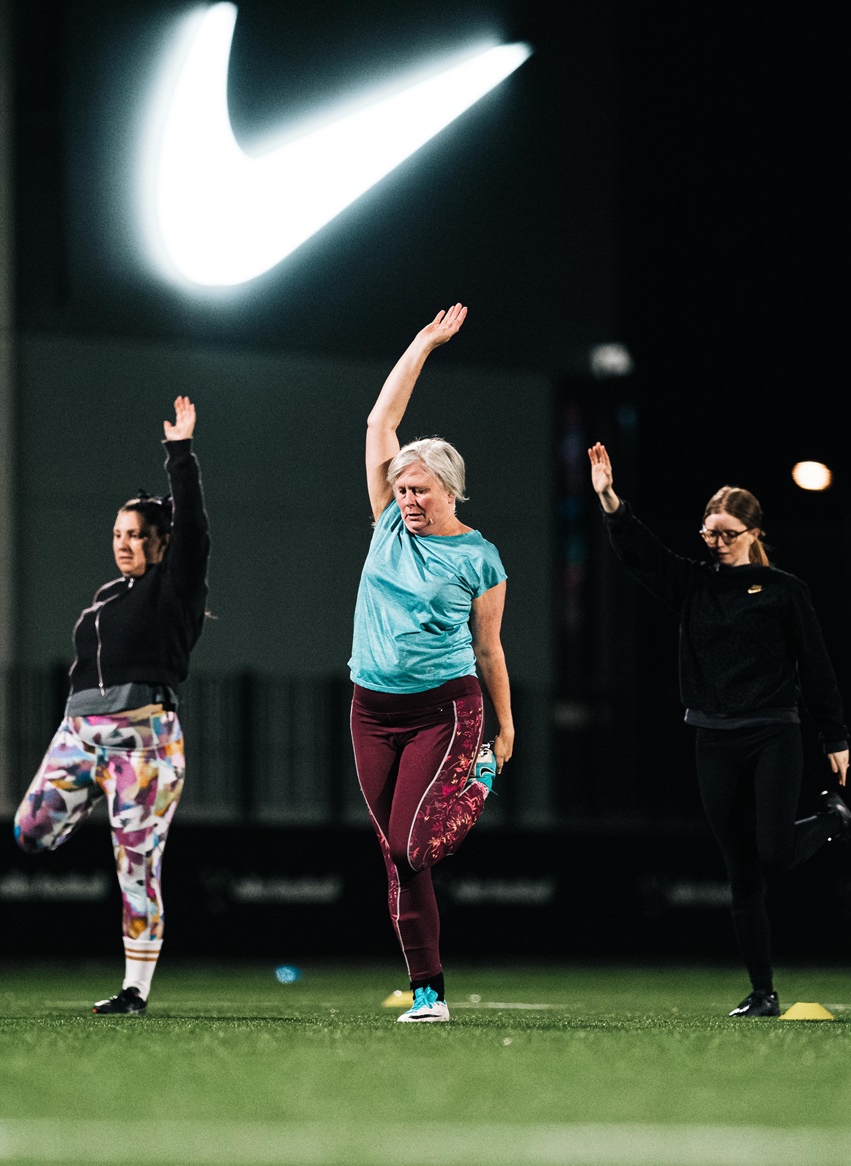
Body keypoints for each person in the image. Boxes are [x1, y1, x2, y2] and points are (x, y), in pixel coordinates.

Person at [587, 442, 851, 1018]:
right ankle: (763, 993)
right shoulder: (695, 585)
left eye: (726, 533)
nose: (714, 543)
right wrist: (611, 500)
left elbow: (816, 665)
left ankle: (832, 819)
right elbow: (644, 557)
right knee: (740, 869)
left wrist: (834, 735)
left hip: (772, 733)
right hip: (713, 736)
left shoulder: (785, 590)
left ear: (753, 532)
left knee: (773, 850)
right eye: (708, 533)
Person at [13, 397, 209, 1015]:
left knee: (136, 864)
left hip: (144, 743)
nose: (125, 544)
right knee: (29, 834)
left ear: (161, 542)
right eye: (119, 535)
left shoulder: (173, 589)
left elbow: (194, 531)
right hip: (79, 738)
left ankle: (134, 989)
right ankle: (101, 806)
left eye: (138, 535)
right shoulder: (105, 596)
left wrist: (180, 454)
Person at [350, 304, 513, 1024]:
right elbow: (378, 423)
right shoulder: (387, 518)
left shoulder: (479, 558)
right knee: (396, 856)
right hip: (369, 708)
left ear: (451, 490)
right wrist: (420, 343)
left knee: (416, 845)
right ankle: (429, 996)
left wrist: (503, 730)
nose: (409, 499)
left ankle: (475, 783)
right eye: (403, 487)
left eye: (421, 489)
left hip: (444, 709)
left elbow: (489, 650)